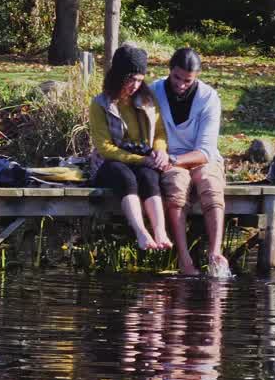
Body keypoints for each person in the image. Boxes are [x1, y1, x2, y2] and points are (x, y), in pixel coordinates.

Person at [152, 47, 229, 276]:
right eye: (177, 77)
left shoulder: (208, 97)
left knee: (210, 184)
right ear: (170, 70)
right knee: (176, 187)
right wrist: (165, 157)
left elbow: (205, 151)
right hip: (169, 158)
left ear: (196, 77)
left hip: (200, 157)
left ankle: (215, 253)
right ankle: (184, 259)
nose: (181, 85)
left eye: (188, 80)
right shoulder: (154, 91)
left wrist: (174, 160)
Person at [89, 44, 174, 251]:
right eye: (130, 79)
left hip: (142, 159)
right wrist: (141, 160)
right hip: (109, 163)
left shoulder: (148, 100)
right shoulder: (100, 104)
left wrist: (160, 151)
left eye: (139, 79)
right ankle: (141, 232)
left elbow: (160, 133)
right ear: (118, 76)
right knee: (126, 177)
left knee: (149, 177)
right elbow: (105, 147)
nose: (135, 85)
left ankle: (160, 231)